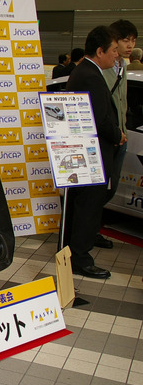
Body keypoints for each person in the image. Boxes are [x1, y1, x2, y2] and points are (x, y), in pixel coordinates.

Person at [63, 25, 126, 279]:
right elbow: (100, 118)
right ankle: (80, 258)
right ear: (100, 51)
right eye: (113, 50)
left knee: (84, 207)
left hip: (86, 154)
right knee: (88, 207)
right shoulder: (90, 75)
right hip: (92, 156)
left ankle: (75, 252)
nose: (117, 55)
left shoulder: (86, 71)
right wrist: (117, 134)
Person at [95, 19, 138, 249]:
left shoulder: (124, 66)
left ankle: (93, 228)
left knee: (111, 187)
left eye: (133, 41)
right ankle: (90, 231)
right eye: (125, 40)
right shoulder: (101, 69)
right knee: (100, 190)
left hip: (121, 137)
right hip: (106, 137)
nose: (129, 45)